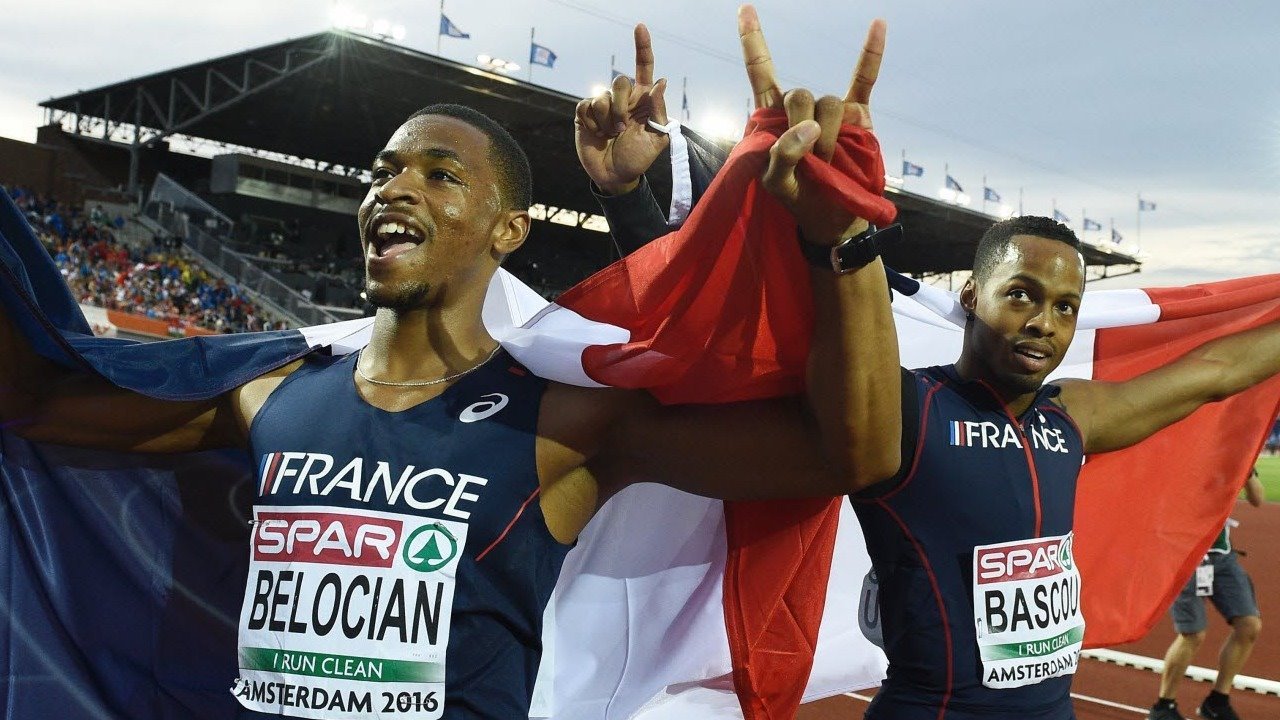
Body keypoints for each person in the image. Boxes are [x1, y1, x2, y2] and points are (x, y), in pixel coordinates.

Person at [0, 8, 893, 719]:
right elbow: (34, 402)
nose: (395, 187)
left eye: (440, 175)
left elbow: (849, 455)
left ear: (509, 231)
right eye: (384, 172)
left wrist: (842, 243)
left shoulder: (561, 422)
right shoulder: (270, 396)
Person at [585, 18, 1280, 720]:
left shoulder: (1071, 418)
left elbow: (1216, 370)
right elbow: (717, 339)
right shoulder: (905, 412)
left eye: (1065, 307)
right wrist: (631, 198)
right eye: (1022, 295)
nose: (1045, 321)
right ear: (972, 296)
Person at [1148, 468, 1266, 720]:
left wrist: (1246, 470)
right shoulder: (1185, 456)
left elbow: (1258, 499)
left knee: (1249, 625)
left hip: (1222, 556)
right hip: (1184, 555)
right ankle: (1163, 706)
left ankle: (1217, 701)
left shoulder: (1235, 457)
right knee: (1193, 634)